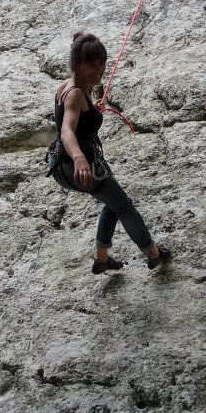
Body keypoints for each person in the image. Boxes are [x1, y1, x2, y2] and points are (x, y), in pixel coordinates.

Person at [50, 31, 171, 274]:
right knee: (123, 205)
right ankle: (154, 254)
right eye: (92, 64)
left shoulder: (68, 86)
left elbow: (74, 118)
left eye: (102, 62)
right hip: (77, 167)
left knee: (112, 201)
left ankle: (102, 259)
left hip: (60, 163)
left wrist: (92, 110)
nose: (99, 70)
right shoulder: (75, 94)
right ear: (77, 65)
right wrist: (79, 158)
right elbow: (66, 131)